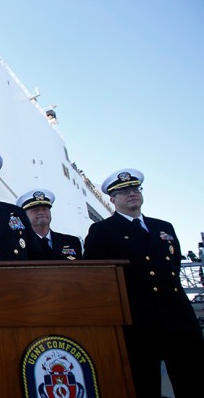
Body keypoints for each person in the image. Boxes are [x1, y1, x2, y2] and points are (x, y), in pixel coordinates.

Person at [83, 169, 203, 398]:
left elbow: (173, 267)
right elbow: (97, 276)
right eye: (124, 191)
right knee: (144, 384)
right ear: (112, 199)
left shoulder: (163, 227)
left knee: (192, 380)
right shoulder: (102, 230)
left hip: (178, 317)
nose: (132, 194)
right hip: (139, 321)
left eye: (135, 189)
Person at [16, 189, 82, 260]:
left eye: (45, 209)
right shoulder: (19, 244)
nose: (41, 212)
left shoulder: (72, 242)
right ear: (25, 216)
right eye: (35, 210)